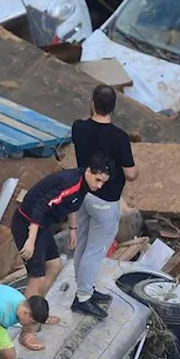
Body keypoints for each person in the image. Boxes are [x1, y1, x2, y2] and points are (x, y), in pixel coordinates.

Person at [10, 154, 115, 351]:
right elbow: (40, 208)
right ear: (88, 171)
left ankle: (39, 312)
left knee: (55, 266)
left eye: (103, 182)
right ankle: (27, 330)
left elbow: (72, 205)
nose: (99, 186)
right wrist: (30, 240)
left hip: (43, 226)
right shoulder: (71, 182)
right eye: (98, 179)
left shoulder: (83, 185)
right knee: (36, 276)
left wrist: (73, 229)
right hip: (28, 223)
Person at [69, 85, 137, 319]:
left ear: (92, 103)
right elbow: (130, 173)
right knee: (95, 250)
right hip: (105, 200)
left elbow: (88, 131)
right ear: (114, 108)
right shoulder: (119, 137)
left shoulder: (78, 128)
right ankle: (84, 297)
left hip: (83, 193)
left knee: (84, 243)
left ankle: (84, 287)